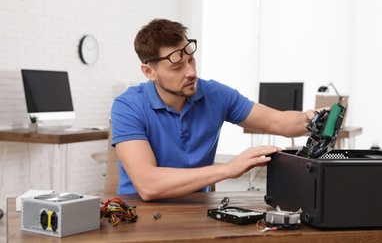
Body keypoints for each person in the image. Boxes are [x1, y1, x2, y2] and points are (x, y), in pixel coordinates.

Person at [111, 18, 316, 201]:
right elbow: (148, 185)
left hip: (198, 211)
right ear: (149, 72)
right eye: (177, 67)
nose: (191, 72)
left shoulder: (215, 94)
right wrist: (228, 169)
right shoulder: (127, 106)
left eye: (191, 60)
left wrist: (309, 119)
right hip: (138, 217)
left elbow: (276, 121)